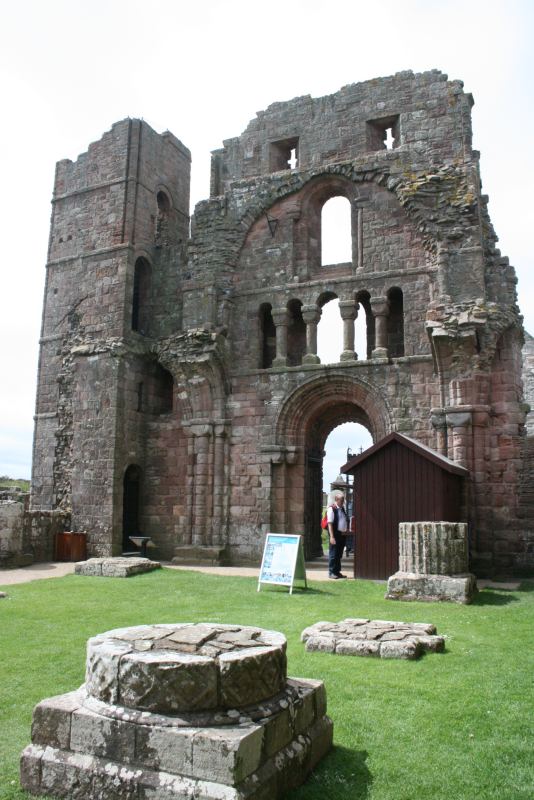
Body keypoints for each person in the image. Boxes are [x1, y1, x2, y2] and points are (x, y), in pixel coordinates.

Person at [327, 492, 349, 579]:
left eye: (343, 500)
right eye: (341, 500)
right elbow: (330, 523)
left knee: (339, 554)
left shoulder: (342, 508)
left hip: (342, 534)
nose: (343, 502)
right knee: (333, 554)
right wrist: (332, 537)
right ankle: (331, 572)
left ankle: (337, 572)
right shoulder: (332, 509)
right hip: (335, 534)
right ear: (336, 500)